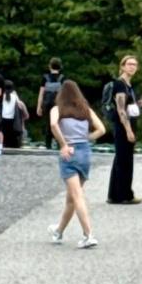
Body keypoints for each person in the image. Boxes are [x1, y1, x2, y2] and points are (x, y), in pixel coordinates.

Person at [48, 80, 106, 248]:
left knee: (77, 196)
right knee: (71, 198)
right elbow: (101, 129)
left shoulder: (57, 109)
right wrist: (86, 138)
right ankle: (58, 231)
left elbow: (53, 124)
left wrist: (63, 144)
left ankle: (88, 235)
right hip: (85, 152)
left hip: (70, 152)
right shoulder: (86, 110)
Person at [107, 55, 142, 205]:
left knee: (121, 159)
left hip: (128, 125)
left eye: (135, 64)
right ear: (122, 66)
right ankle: (125, 195)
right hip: (123, 126)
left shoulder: (128, 85)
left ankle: (115, 194)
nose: (132, 67)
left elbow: (128, 107)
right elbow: (121, 109)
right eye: (129, 64)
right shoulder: (120, 84)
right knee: (125, 161)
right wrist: (128, 130)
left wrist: (138, 105)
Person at [37, 58, 65, 149]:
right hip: (58, 105)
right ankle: (59, 145)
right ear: (60, 67)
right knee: (59, 124)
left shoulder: (45, 78)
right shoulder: (62, 78)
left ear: (50, 66)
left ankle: (48, 145)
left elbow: (41, 93)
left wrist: (39, 106)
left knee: (48, 124)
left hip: (47, 104)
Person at [0, 80, 28, 149]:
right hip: (13, 122)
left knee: (4, 142)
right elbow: (21, 107)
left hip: (2, 121)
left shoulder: (0, 97)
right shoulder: (15, 97)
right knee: (13, 143)